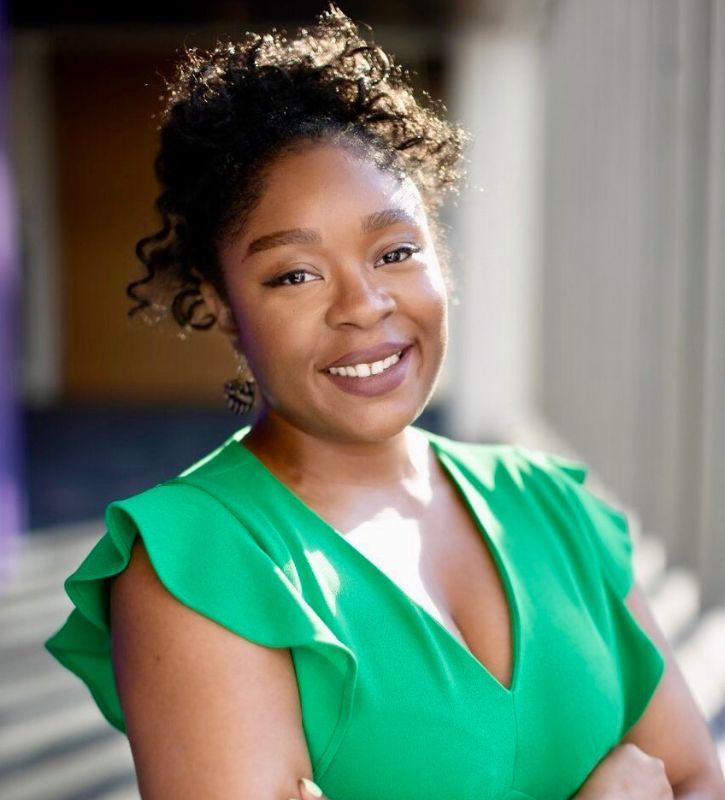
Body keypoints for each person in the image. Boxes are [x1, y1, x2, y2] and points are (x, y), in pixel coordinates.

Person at [45, 4, 724, 799]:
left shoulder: (552, 504)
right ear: (223, 304)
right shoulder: (198, 562)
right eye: (295, 274)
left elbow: (693, 777)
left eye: (396, 251)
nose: (364, 306)